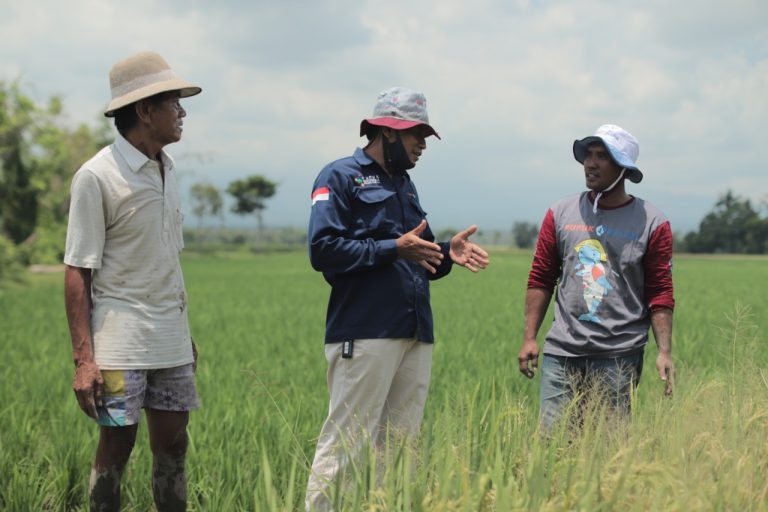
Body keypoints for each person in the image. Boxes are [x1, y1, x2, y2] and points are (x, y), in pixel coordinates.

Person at [305, 86, 489, 511]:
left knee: (400, 451)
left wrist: (445, 253)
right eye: (414, 134)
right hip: (366, 331)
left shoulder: (404, 185)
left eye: (424, 135)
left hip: (413, 331)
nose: (422, 144)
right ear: (387, 132)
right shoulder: (340, 176)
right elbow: (323, 249)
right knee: (346, 446)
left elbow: (412, 255)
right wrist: (393, 248)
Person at [64, 51, 201, 511]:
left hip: (170, 339)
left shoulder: (169, 168)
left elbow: (165, 260)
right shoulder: (97, 177)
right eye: (173, 103)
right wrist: (85, 360)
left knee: (174, 449)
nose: (182, 112)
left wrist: (186, 335)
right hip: (120, 347)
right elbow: (78, 270)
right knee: (116, 452)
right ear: (145, 111)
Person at [518, 124, 676, 432]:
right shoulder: (560, 213)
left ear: (623, 169)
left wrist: (664, 352)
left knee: (606, 452)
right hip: (562, 354)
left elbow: (660, 292)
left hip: (618, 357)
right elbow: (541, 276)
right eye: (588, 155)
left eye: (602, 156)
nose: (591, 163)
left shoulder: (652, 222)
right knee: (552, 447)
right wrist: (529, 338)